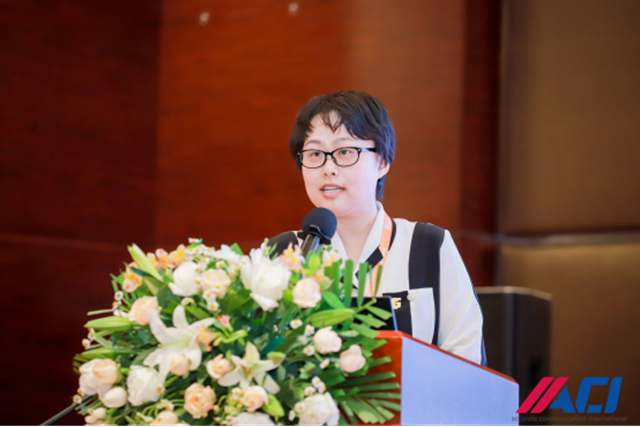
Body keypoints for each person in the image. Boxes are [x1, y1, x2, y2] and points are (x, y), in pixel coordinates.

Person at [269, 91, 486, 366]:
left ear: (382, 162)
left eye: (344, 152)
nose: (328, 168)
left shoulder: (429, 246)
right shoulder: (282, 253)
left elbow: (468, 361)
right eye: (314, 154)